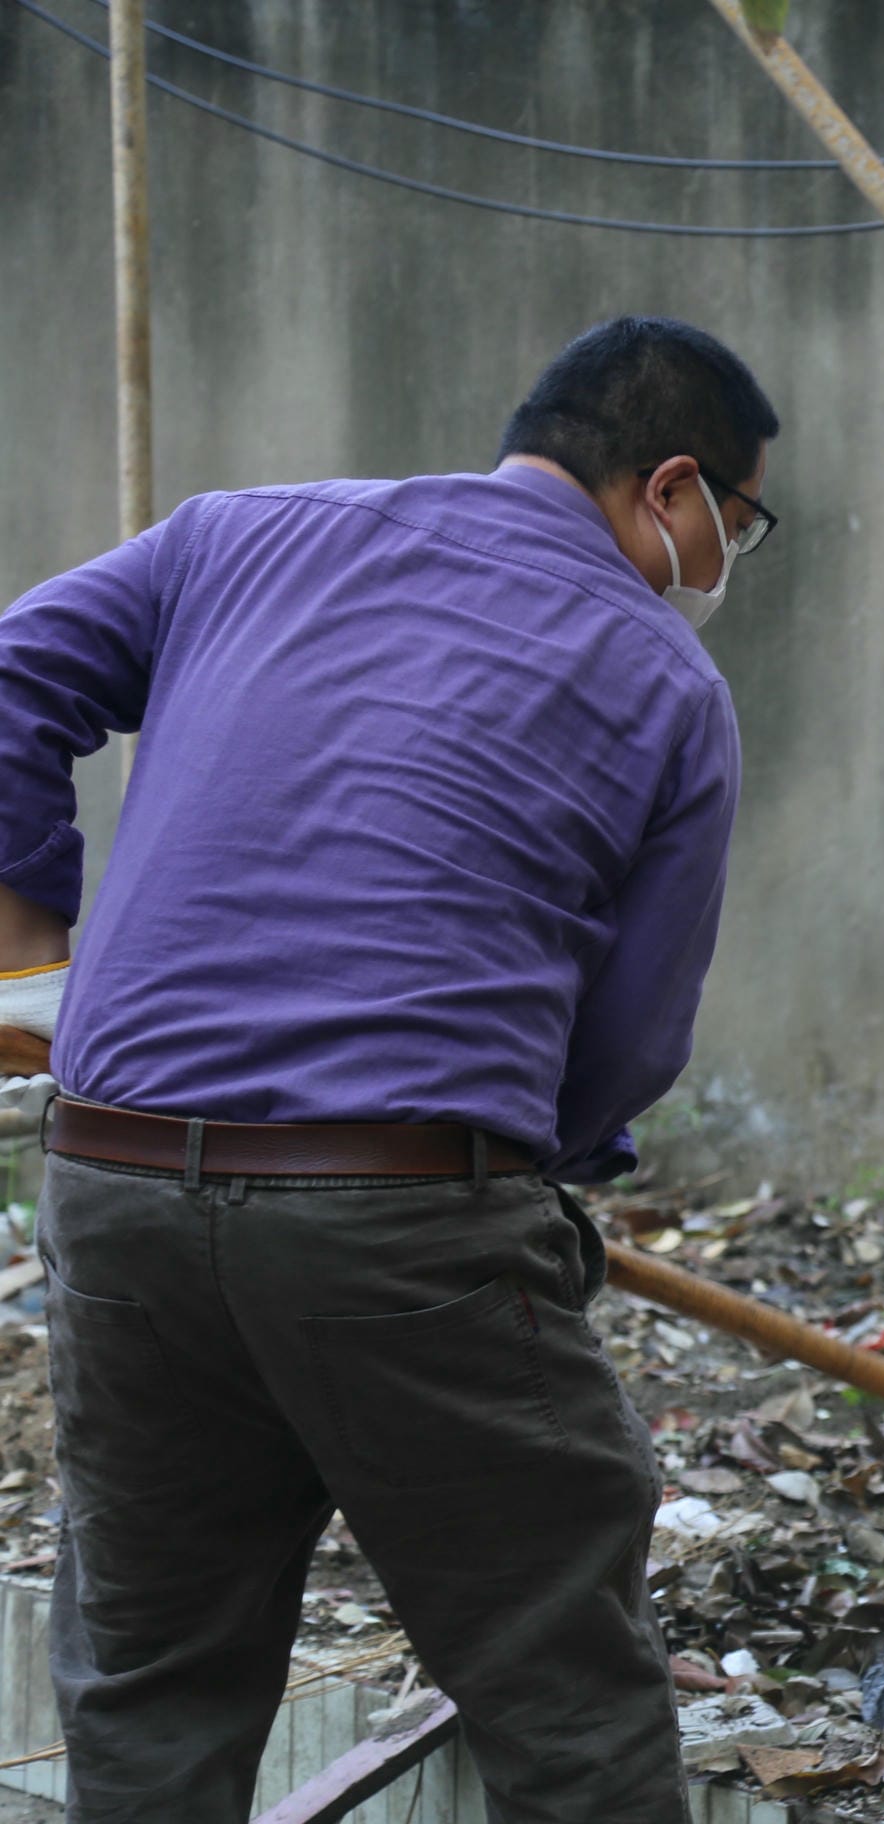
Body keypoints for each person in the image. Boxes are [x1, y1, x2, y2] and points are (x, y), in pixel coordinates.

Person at [0, 315, 779, 1824]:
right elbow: (631, 1044)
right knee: (568, 1702)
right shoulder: (665, 682)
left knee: (154, 1694)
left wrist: (30, 960)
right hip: (406, 1215)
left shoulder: (232, 537)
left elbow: (8, 674)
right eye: (735, 523)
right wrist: (512, 1178)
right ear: (670, 486)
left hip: (112, 1192)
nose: (722, 561)